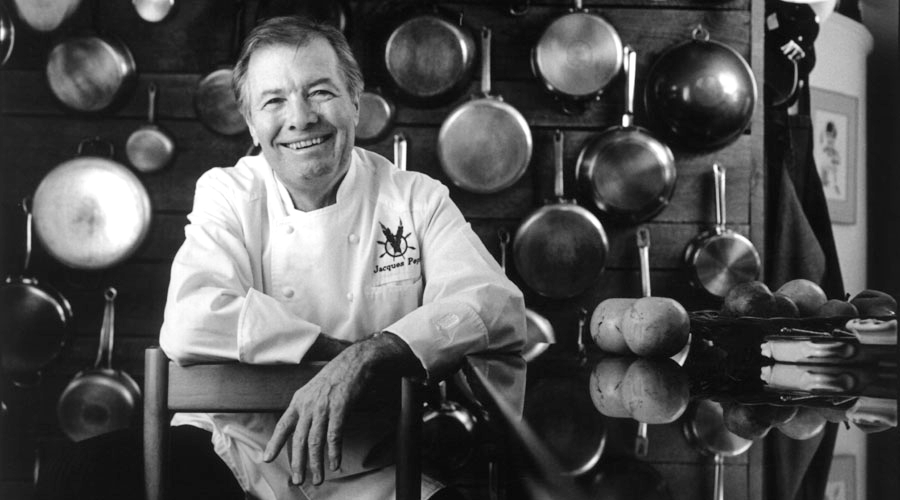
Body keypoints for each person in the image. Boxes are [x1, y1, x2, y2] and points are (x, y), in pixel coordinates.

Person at [156, 14, 525, 500]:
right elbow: (190, 318)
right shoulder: (227, 191)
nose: (300, 118)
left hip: (379, 472)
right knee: (85, 471)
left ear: (355, 101)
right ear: (250, 122)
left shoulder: (416, 198)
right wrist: (339, 356)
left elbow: (491, 303)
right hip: (239, 452)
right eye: (273, 101)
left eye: (320, 92)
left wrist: (377, 352)